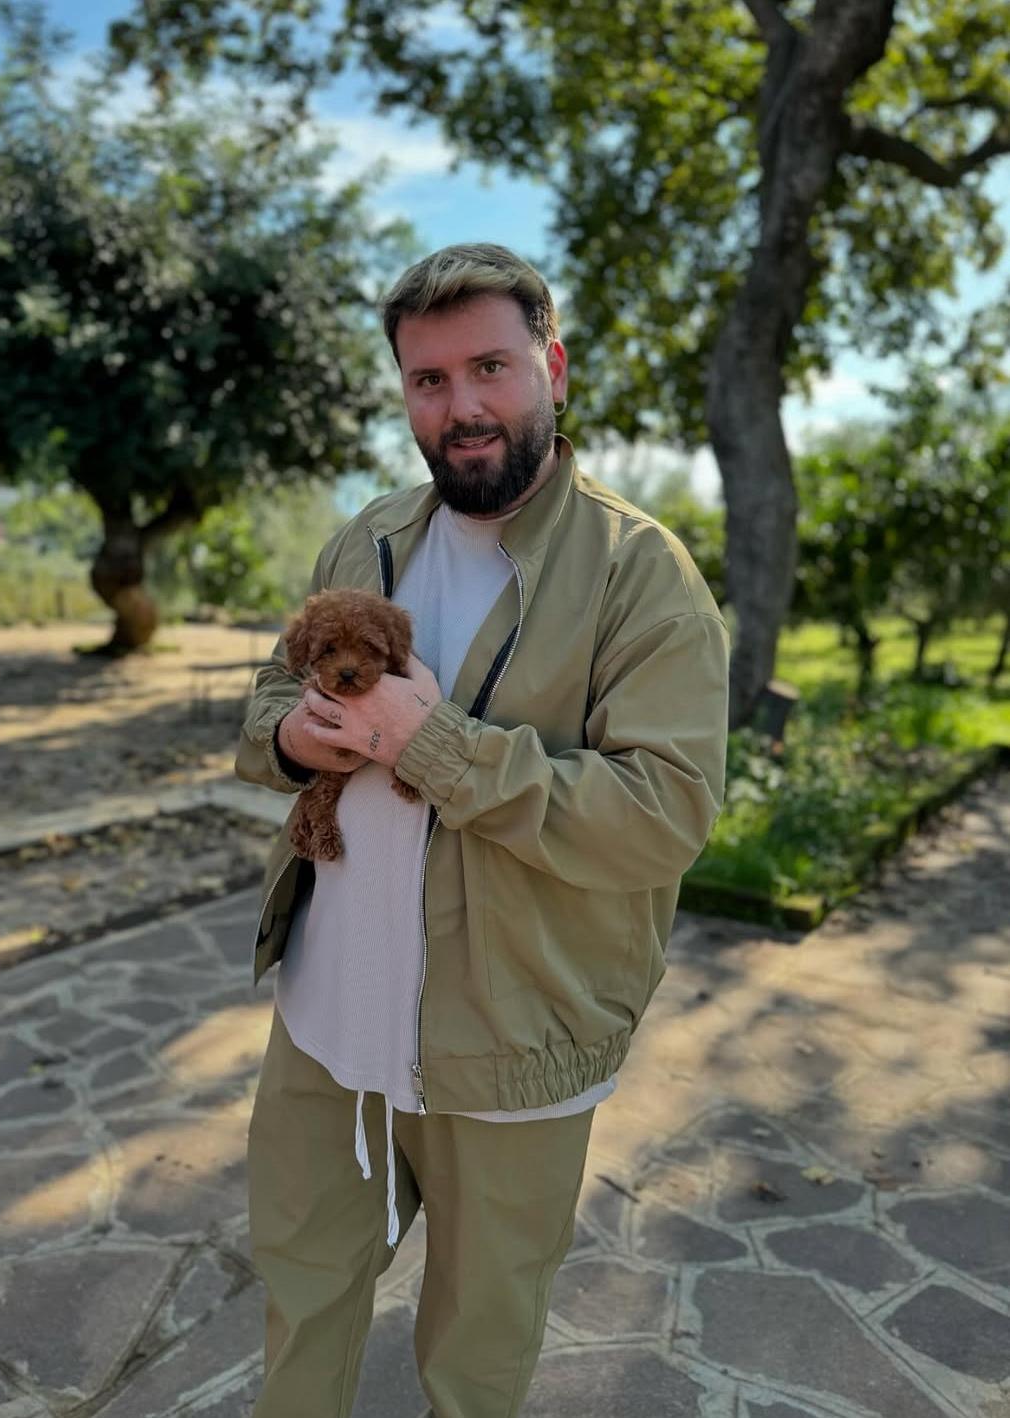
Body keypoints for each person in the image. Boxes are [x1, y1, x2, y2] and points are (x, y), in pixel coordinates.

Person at [235, 242, 729, 1418]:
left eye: (491, 367)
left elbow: (665, 815)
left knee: (475, 1354)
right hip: (326, 1016)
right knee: (302, 1295)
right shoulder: (367, 538)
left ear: (551, 366)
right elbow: (262, 706)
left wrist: (435, 742)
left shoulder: (641, 573)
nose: (461, 407)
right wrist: (298, 740)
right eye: (428, 379)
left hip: (512, 1042)